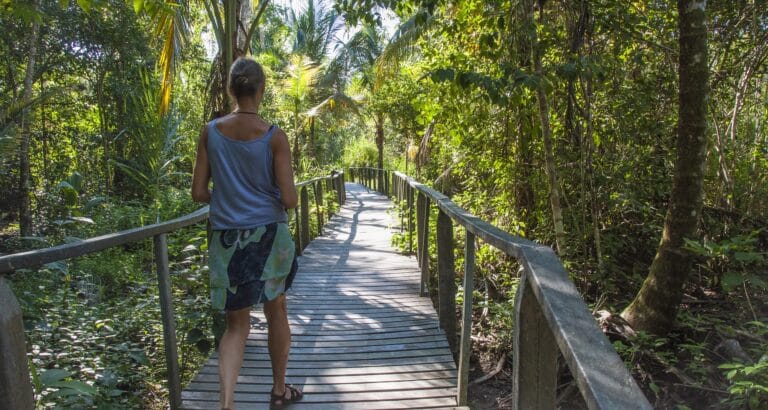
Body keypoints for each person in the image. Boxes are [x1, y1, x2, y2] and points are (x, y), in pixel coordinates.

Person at [191, 57, 303, 410]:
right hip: (270, 236)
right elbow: (290, 199)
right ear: (262, 89)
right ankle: (279, 391)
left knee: (235, 325)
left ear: (231, 89)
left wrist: (228, 198)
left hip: (227, 239)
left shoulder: (210, 132)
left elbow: (198, 192)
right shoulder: (273, 136)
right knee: (276, 312)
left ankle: (226, 404)